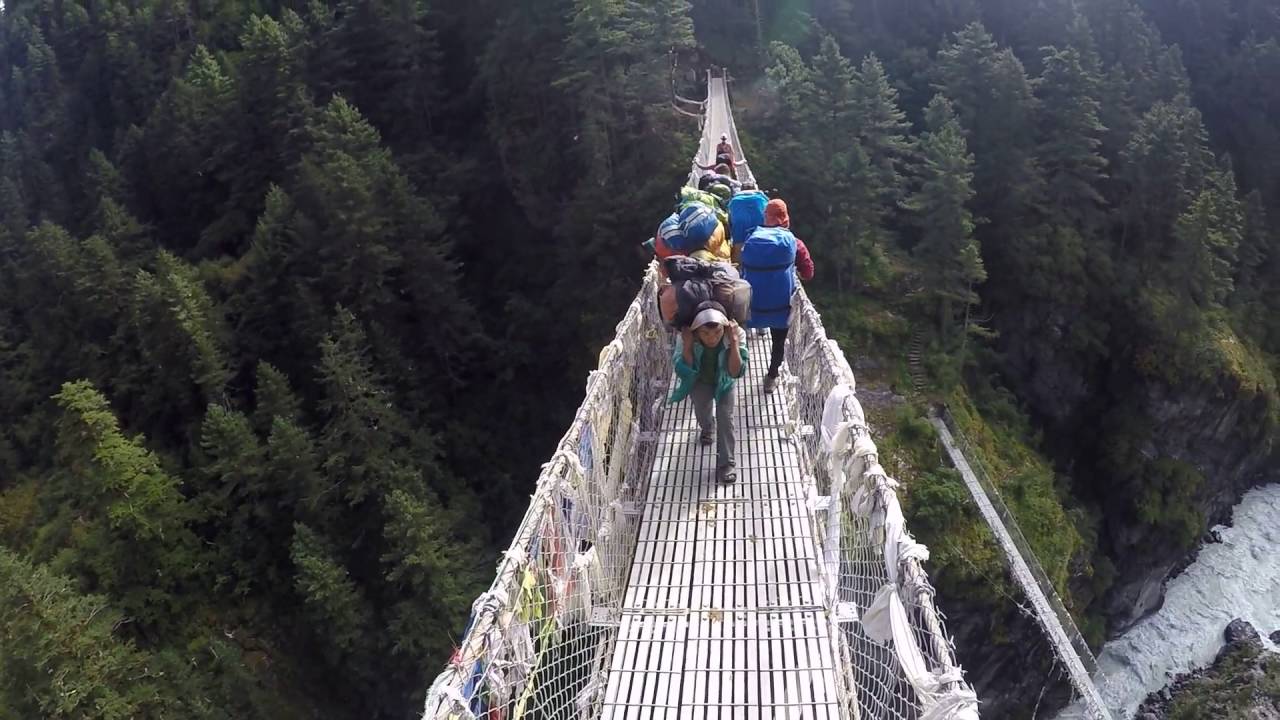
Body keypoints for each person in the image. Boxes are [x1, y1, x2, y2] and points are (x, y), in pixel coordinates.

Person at [741, 199, 814, 393]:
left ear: (766, 216)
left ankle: (738, 368)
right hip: (780, 307)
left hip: (753, 305)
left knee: (741, 333)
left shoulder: (752, 237)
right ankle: (771, 377)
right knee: (779, 342)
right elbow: (808, 271)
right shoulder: (794, 242)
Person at [670, 306, 747, 483]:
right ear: (697, 331)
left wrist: (733, 341)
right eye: (705, 334)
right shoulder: (687, 336)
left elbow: (737, 372)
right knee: (702, 410)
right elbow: (684, 372)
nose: (712, 338)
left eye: (717, 332)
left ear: (724, 328)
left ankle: (727, 463)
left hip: (724, 380)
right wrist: (688, 346)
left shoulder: (735, 334)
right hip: (699, 380)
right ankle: (707, 427)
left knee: (726, 418)